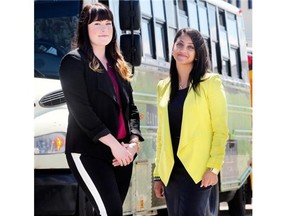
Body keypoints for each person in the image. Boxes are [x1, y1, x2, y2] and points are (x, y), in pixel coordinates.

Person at [59, 3, 143, 216]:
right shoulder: (73, 62)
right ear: (85, 28)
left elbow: (131, 109)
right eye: (97, 23)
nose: (104, 29)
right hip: (89, 152)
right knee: (111, 212)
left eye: (108, 23)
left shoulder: (118, 64)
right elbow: (82, 112)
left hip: (122, 153)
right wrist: (115, 146)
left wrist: (133, 145)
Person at [153, 28, 229, 216]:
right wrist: (157, 174)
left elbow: (220, 130)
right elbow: (161, 135)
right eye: (179, 44)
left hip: (198, 169)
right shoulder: (163, 86)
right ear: (172, 48)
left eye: (190, 47)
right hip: (171, 170)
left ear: (197, 54)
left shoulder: (210, 83)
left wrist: (213, 167)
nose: (183, 50)